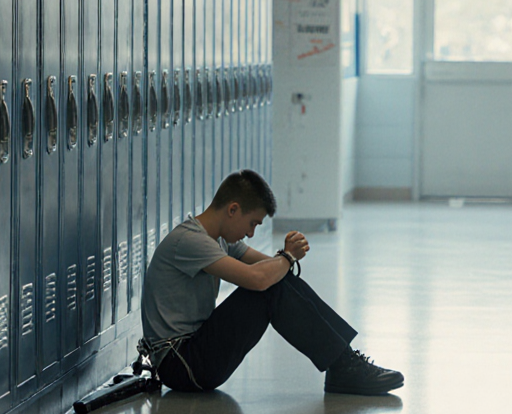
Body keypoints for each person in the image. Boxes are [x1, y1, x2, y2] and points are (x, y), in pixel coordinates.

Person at [140, 170, 403, 396]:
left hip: (195, 354)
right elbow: (259, 278)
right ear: (233, 210)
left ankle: (343, 362)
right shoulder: (190, 241)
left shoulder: (219, 239)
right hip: (181, 365)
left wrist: (285, 258)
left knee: (278, 280)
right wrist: (286, 257)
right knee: (268, 286)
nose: (252, 233)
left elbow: (273, 271)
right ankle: (344, 366)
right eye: (252, 223)